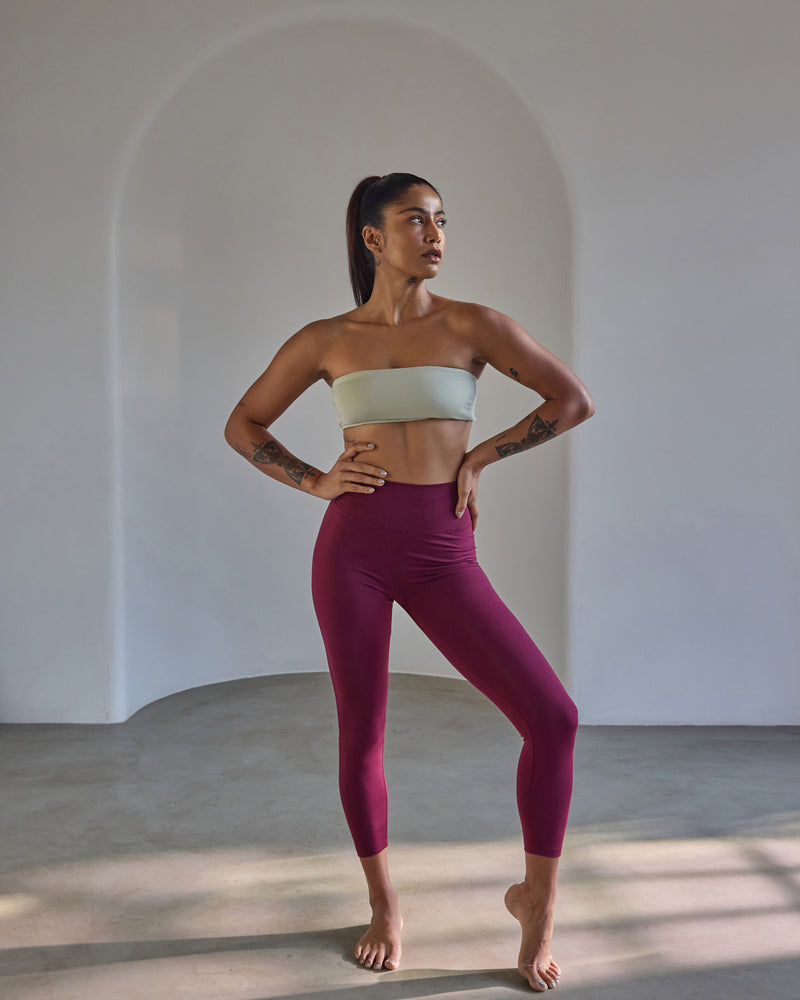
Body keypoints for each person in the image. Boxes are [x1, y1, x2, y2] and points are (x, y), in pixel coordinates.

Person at [224, 172, 594, 992]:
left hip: (441, 549)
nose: (435, 235)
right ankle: (384, 905)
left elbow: (571, 400)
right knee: (362, 732)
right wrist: (316, 481)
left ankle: (536, 898)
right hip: (352, 549)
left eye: (442, 221)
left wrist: (482, 455)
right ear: (373, 238)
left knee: (553, 718)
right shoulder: (327, 339)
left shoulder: (472, 325)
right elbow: (242, 423)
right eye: (416, 221)